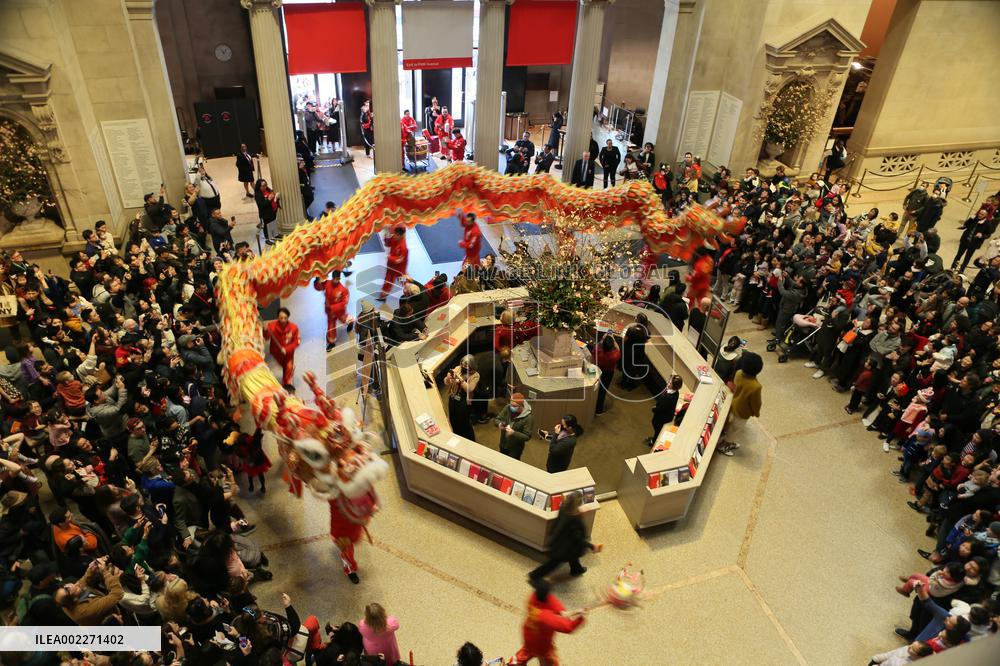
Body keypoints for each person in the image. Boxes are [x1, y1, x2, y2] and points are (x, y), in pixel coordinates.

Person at [510, 576, 585, 666]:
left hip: (528, 635)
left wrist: (575, 612)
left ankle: (515, 662)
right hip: (542, 644)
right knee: (548, 660)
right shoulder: (547, 618)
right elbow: (568, 627)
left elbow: (562, 613)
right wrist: (580, 619)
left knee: (527, 652)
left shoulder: (533, 598)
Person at [718, 351, 763, 455]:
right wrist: (756, 413)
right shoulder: (756, 386)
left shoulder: (738, 373)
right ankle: (723, 445)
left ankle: (725, 440)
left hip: (734, 405)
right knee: (735, 430)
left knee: (731, 425)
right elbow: (756, 403)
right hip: (743, 412)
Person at [314, 271, 354, 351]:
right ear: (332, 278)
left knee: (344, 319)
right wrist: (317, 280)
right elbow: (319, 287)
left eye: (338, 279)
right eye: (335, 278)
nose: (336, 280)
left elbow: (344, 302)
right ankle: (331, 342)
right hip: (330, 312)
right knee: (331, 326)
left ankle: (351, 322)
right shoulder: (327, 283)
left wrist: (333, 307)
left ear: (339, 278)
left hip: (340, 311)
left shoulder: (343, 289)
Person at [445, 355, 479, 441]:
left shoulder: (475, 375)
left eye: (466, 365)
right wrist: (448, 378)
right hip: (453, 397)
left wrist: (460, 378)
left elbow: (469, 389)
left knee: (463, 422)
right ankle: (456, 436)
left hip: (464, 401)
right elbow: (446, 382)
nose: (463, 367)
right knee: (453, 419)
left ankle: (468, 440)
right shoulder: (458, 368)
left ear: (472, 366)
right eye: (462, 364)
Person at [263, 307, 300, 386]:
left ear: (288, 317)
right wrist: (265, 330)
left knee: (288, 368)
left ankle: (287, 385)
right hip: (275, 352)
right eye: (281, 318)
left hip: (288, 354)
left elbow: (297, 342)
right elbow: (266, 337)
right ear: (278, 317)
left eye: (285, 318)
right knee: (283, 366)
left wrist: (286, 349)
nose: (283, 320)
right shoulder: (271, 326)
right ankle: (290, 369)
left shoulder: (294, 328)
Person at [952, 208, 995, 273]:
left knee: (967, 258)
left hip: (973, 244)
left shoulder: (987, 223)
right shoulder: (974, 218)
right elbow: (966, 225)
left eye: (982, 214)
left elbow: (988, 234)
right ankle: (952, 268)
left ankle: (961, 271)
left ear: (986, 215)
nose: (980, 215)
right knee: (958, 255)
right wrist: (970, 219)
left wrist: (982, 235)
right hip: (965, 240)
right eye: (979, 213)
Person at [647, 374, 683, 446]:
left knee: (657, 429)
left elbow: (661, 408)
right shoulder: (674, 392)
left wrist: (654, 409)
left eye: (670, 383)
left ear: (674, 386)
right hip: (665, 414)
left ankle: (654, 441)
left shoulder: (669, 397)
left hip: (662, 418)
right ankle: (654, 438)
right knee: (657, 429)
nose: (668, 383)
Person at [590, 333, 621, 415]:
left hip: (596, 371)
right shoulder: (615, 355)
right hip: (608, 373)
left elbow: (598, 345)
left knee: (594, 388)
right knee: (602, 391)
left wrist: (603, 339)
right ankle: (598, 410)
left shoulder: (597, 351)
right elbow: (618, 348)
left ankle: (590, 405)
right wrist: (613, 340)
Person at [380, 224, 409, 300]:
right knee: (388, 281)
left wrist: (389, 257)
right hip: (391, 267)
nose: (393, 235)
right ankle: (383, 295)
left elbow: (398, 260)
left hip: (398, 270)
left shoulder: (403, 248)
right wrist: (386, 235)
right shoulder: (394, 237)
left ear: (399, 235)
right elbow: (388, 244)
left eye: (395, 234)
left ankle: (409, 291)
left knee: (402, 280)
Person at [254, 178, 280, 245]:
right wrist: (269, 199)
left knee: (273, 222)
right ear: (259, 186)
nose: (265, 187)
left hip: (273, 210)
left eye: (265, 185)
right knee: (267, 225)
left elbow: (272, 195)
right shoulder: (258, 195)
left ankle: (275, 235)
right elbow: (262, 204)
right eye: (263, 186)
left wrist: (275, 198)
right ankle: (267, 239)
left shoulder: (268, 189)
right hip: (266, 213)